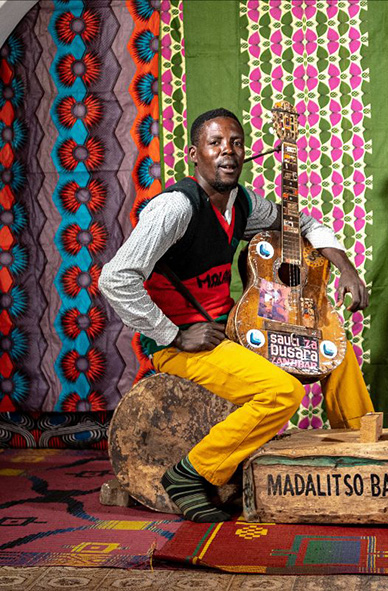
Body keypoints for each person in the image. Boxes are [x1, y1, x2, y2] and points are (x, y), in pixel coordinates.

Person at [99, 107, 373, 522]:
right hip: (184, 345)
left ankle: (365, 452)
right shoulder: (175, 208)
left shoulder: (241, 204)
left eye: (236, 143)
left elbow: (302, 223)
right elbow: (115, 278)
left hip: (229, 330)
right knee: (282, 392)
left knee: (334, 351)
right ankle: (191, 473)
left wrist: (346, 268)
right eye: (215, 143)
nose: (228, 151)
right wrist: (174, 335)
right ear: (195, 155)